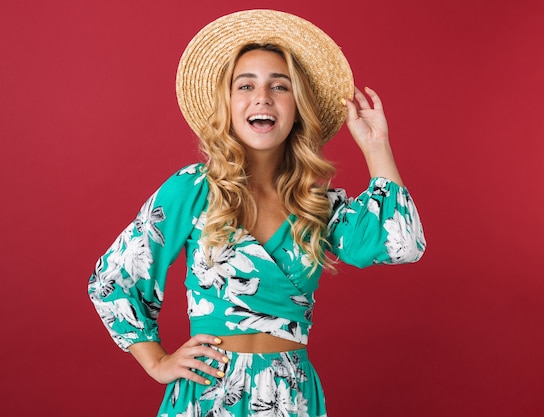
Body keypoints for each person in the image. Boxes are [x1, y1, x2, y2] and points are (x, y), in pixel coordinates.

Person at [88, 9, 426, 417]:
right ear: (228, 105)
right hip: (209, 394)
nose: (262, 97)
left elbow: (403, 244)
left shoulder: (316, 205)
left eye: (279, 87)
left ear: (296, 108)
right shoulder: (194, 189)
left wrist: (376, 147)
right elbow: (113, 281)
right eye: (245, 85)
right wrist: (157, 362)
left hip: (292, 397)